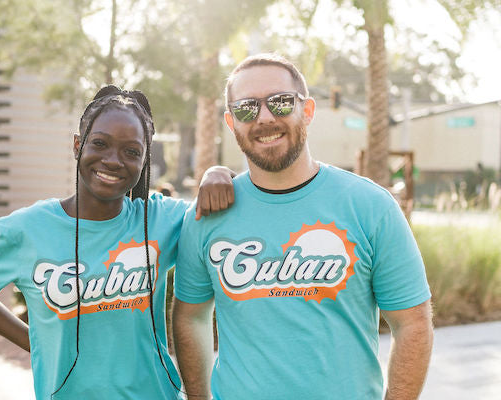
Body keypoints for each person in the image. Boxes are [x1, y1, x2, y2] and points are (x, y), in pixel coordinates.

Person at [172, 54, 433, 400]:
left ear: (307, 110)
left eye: (280, 103)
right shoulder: (207, 215)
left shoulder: (370, 207)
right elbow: (190, 317)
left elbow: (413, 323)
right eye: (247, 108)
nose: (264, 117)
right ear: (231, 122)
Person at [0, 85, 235, 400]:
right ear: (77, 145)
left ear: (144, 161)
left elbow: (218, 207)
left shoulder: (160, 219)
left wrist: (218, 172)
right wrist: (35, 341)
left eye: (131, 151)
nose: (113, 161)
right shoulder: (25, 229)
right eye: (100, 143)